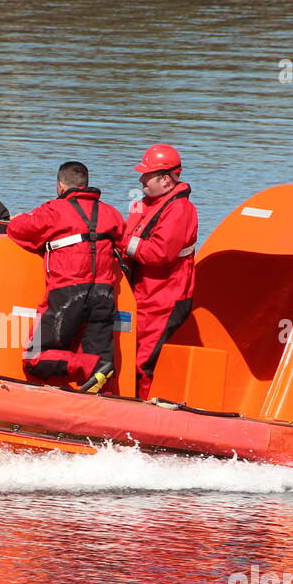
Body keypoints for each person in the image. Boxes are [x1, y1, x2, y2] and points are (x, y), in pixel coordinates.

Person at [6, 161, 125, 394]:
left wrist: (18, 218)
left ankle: (91, 366)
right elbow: (124, 244)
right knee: (101, 368)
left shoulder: (54, 210)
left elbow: (18, 231)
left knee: (34, 358)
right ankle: (101, 392)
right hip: (104, 294)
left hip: (67, 294)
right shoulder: (111, 213)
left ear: (61, 186)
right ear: (86, 185)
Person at [121, 143, 199, 400]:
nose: (141, 178)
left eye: (147, 174)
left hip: (166, 296)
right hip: (145, 293)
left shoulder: (179, 210)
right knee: (128, 352)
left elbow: (158, 253)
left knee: (142, 363)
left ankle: (140, 415)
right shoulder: (147, 202)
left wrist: (120, 241)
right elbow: (131, 232)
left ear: (165, 180)